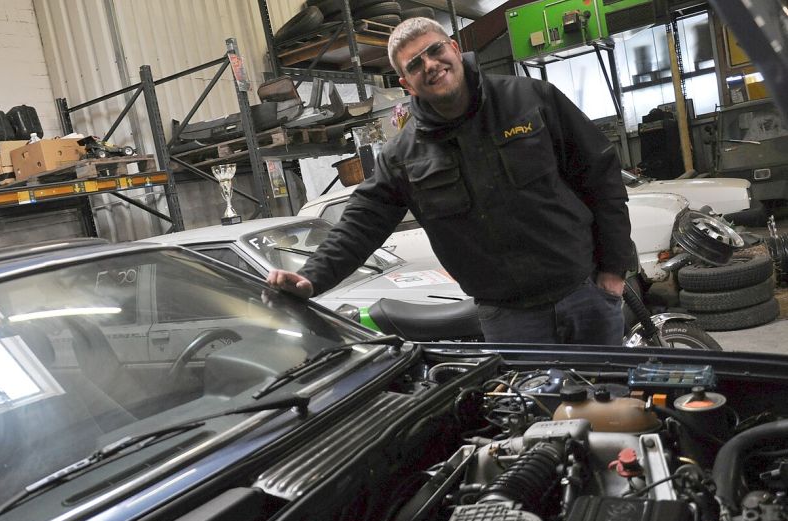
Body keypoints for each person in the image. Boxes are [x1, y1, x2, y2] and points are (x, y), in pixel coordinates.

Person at [266, 17, 633, 345]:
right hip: (509, 319)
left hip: (583, 295)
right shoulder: (402, 156)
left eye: (435, 50)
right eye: (415, 64)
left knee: (613, 412)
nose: (430, 65)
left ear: (454, 48)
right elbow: (359, 225)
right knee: (531, 416)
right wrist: (312, 278)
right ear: (406, 83)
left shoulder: (531, 100)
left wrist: (614, 270)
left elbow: (601, 177)